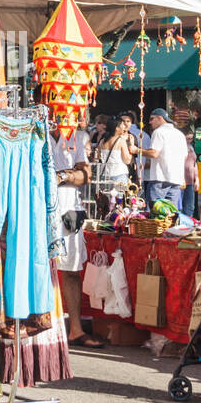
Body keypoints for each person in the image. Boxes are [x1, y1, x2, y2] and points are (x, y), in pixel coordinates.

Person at [49, 123, 98, 347]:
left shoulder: (79, 136)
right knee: (42, 269)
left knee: (71, 270)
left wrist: (62, 176)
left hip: (69, 210)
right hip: (41, 207)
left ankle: (75, 329)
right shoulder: (34, 132)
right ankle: (46, 327)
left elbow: (85, 175)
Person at [137, 108, 188, 211]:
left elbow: (154, 153)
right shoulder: (179, 134)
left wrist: (137, 150)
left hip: (160, 178)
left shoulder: (159, 132)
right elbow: (185, 156)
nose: (150, 122)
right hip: (175, 179)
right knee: (170, 214)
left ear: (160, 118)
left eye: (152, 119)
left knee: (153, 212)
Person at [95, 115, 137, 212]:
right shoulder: (120, 140)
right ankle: (116, 221)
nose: (124, 127)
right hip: (119, 175)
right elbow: (127, 160)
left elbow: (97, 158)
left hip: (105, 175)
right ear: (116, 128)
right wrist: (131, 145)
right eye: (122, 125)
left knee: (107, 203)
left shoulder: (102, 141)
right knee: (119, 203)